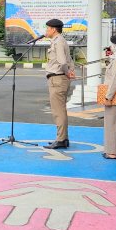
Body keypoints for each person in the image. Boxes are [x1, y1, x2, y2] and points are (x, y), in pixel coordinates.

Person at [43, 19, 76, 150]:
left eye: (47, 28)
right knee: (60, 109)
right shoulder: (59, 41)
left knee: (58, 111)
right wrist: (70, 71)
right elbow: (69, 59)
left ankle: (61, 139)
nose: (46, 31)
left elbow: (62, 62)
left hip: (57, 78)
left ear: (53, 29)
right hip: (58, 78)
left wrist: (67, 73)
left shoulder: (58, 42)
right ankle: (63, 138)